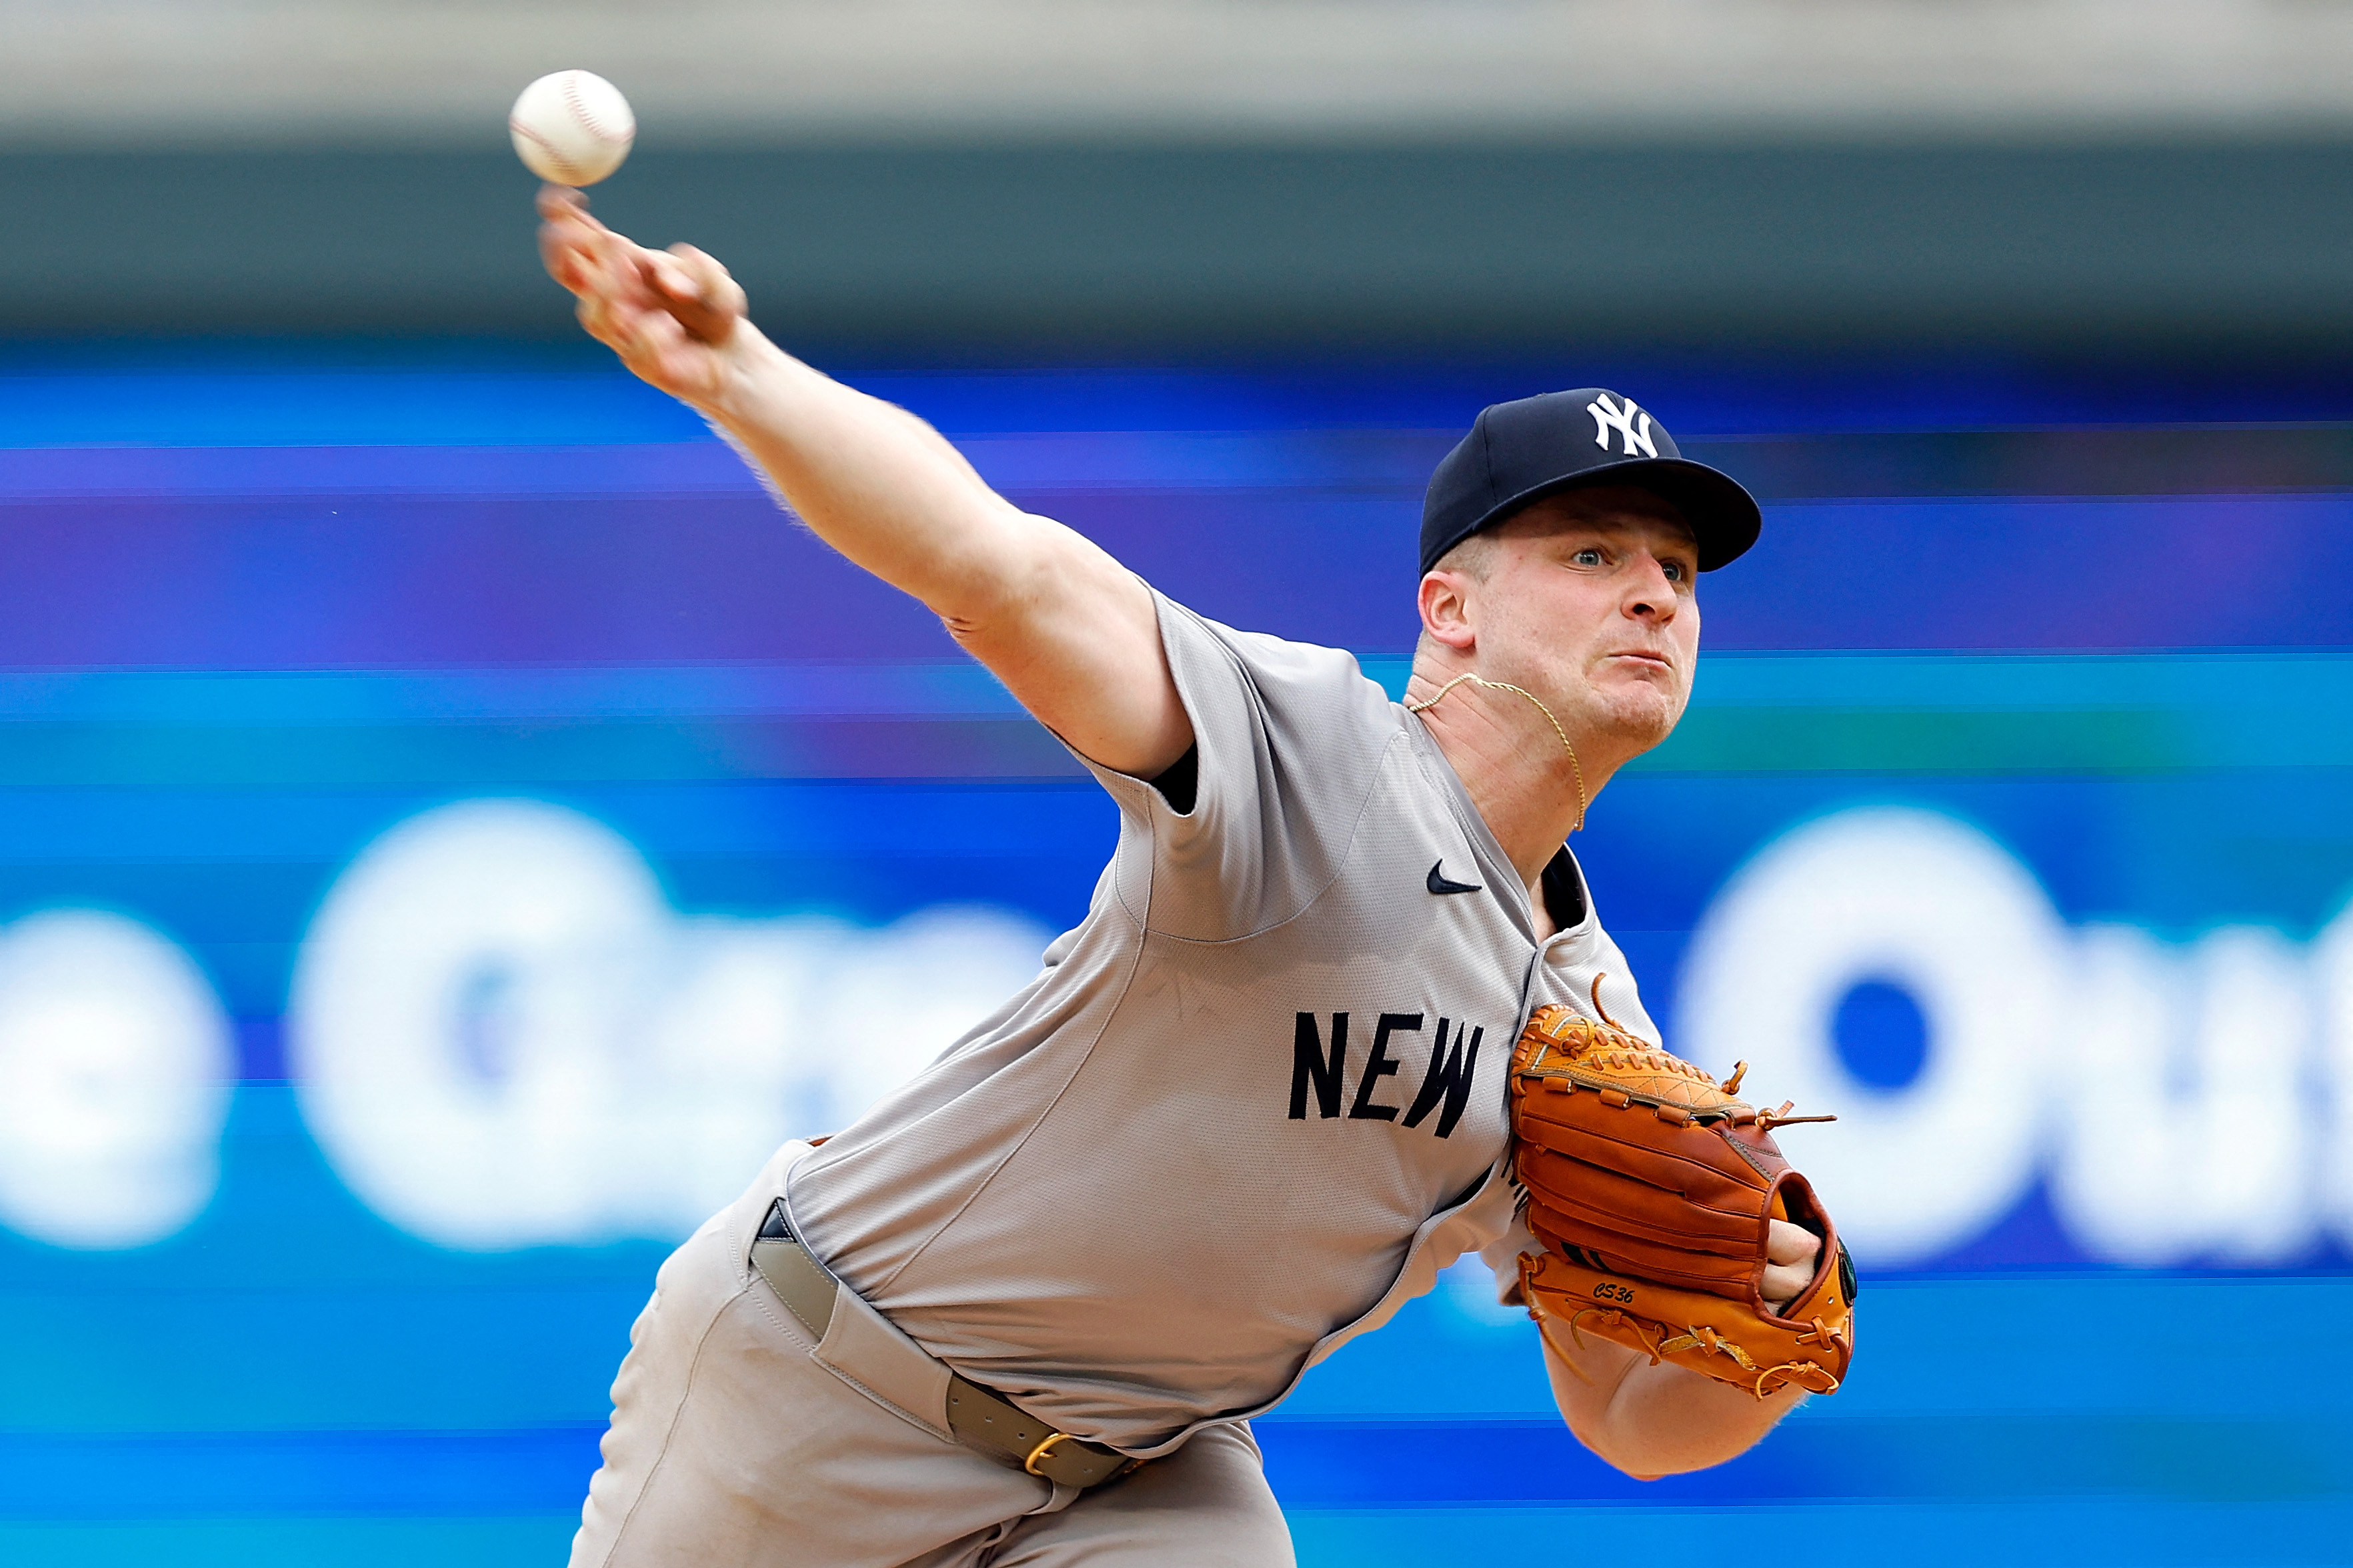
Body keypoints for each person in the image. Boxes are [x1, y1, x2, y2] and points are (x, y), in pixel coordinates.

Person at [539, 186, 1828, 1568]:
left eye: (1678, 572)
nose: (1653, 595)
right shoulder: (1313, 762)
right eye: (1593, 553)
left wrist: (1770, 1323)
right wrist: (741, 375)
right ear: (1448, 610)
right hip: (821, 1389)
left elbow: (1636, 1422)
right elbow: (1001, 569)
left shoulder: (1584, 1027)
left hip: (1138, 1473)